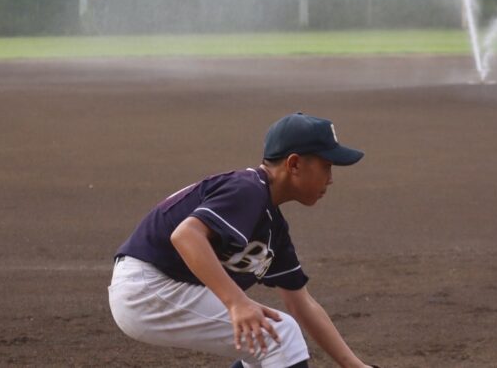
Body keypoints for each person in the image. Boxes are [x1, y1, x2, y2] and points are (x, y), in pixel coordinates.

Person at [108, 112, 379, 368]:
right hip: (148, 286)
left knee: (263, 335)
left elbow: (301, 303)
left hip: (159, 287)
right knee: (280, 336)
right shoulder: (247, 188)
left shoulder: (273, 225)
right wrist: (236, 302)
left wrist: (353, 364)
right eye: (326, 166)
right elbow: (186, 235)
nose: (330, 179)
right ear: (294, 164)